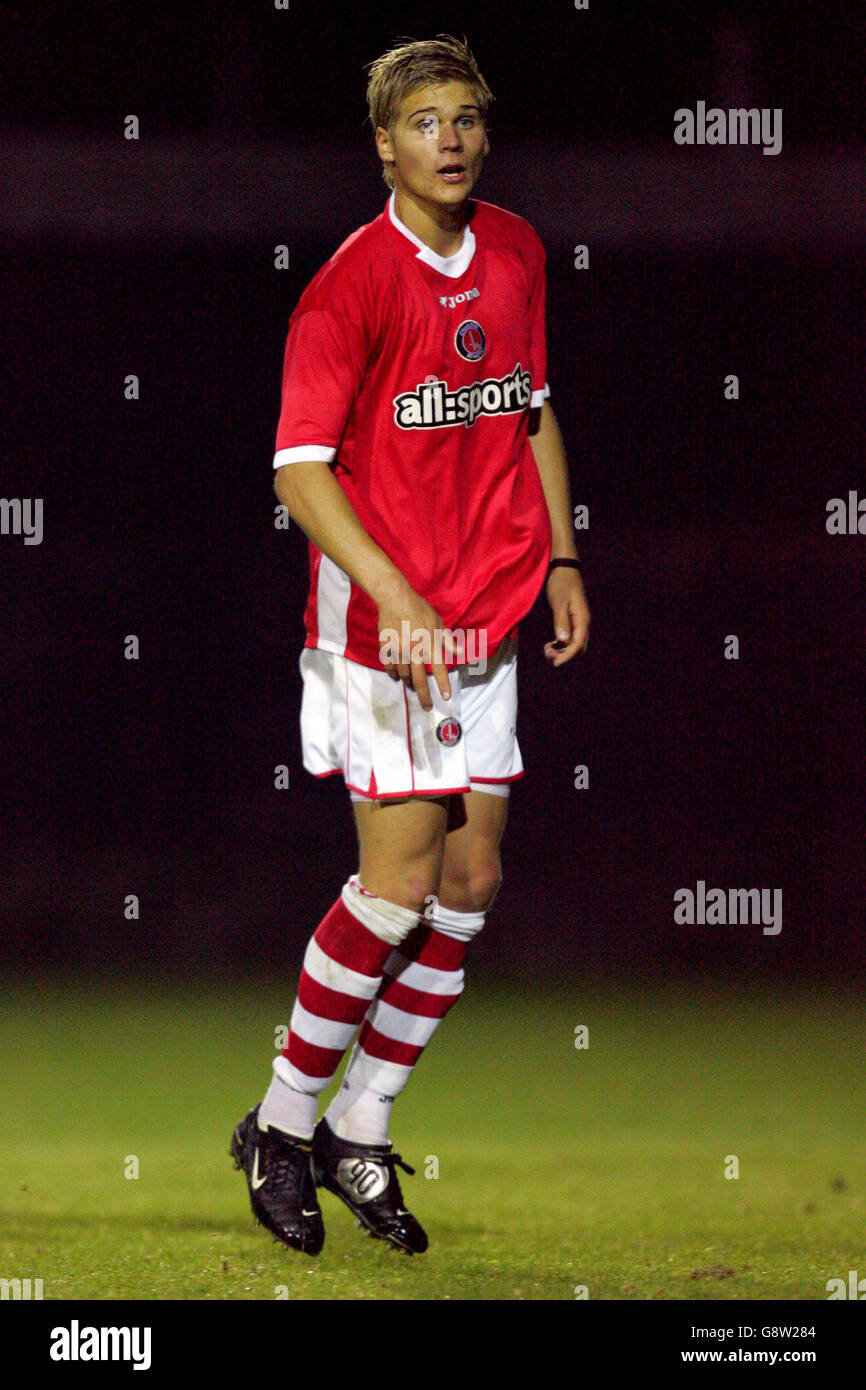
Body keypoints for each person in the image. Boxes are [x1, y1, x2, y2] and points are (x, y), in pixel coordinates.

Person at [231, 32, 590, 1257]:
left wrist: (558, 554)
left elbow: (528, 404)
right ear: (383, 143)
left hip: (484, 620)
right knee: (392, 894)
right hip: (386, 635)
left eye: (467, 117)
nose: (451, 138)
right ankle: (281, 1125)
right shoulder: (347, 285)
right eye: (425, 120)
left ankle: (359, 1127)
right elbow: (295, 469)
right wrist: (394, 593)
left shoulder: (519, 250)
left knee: (468, 884)